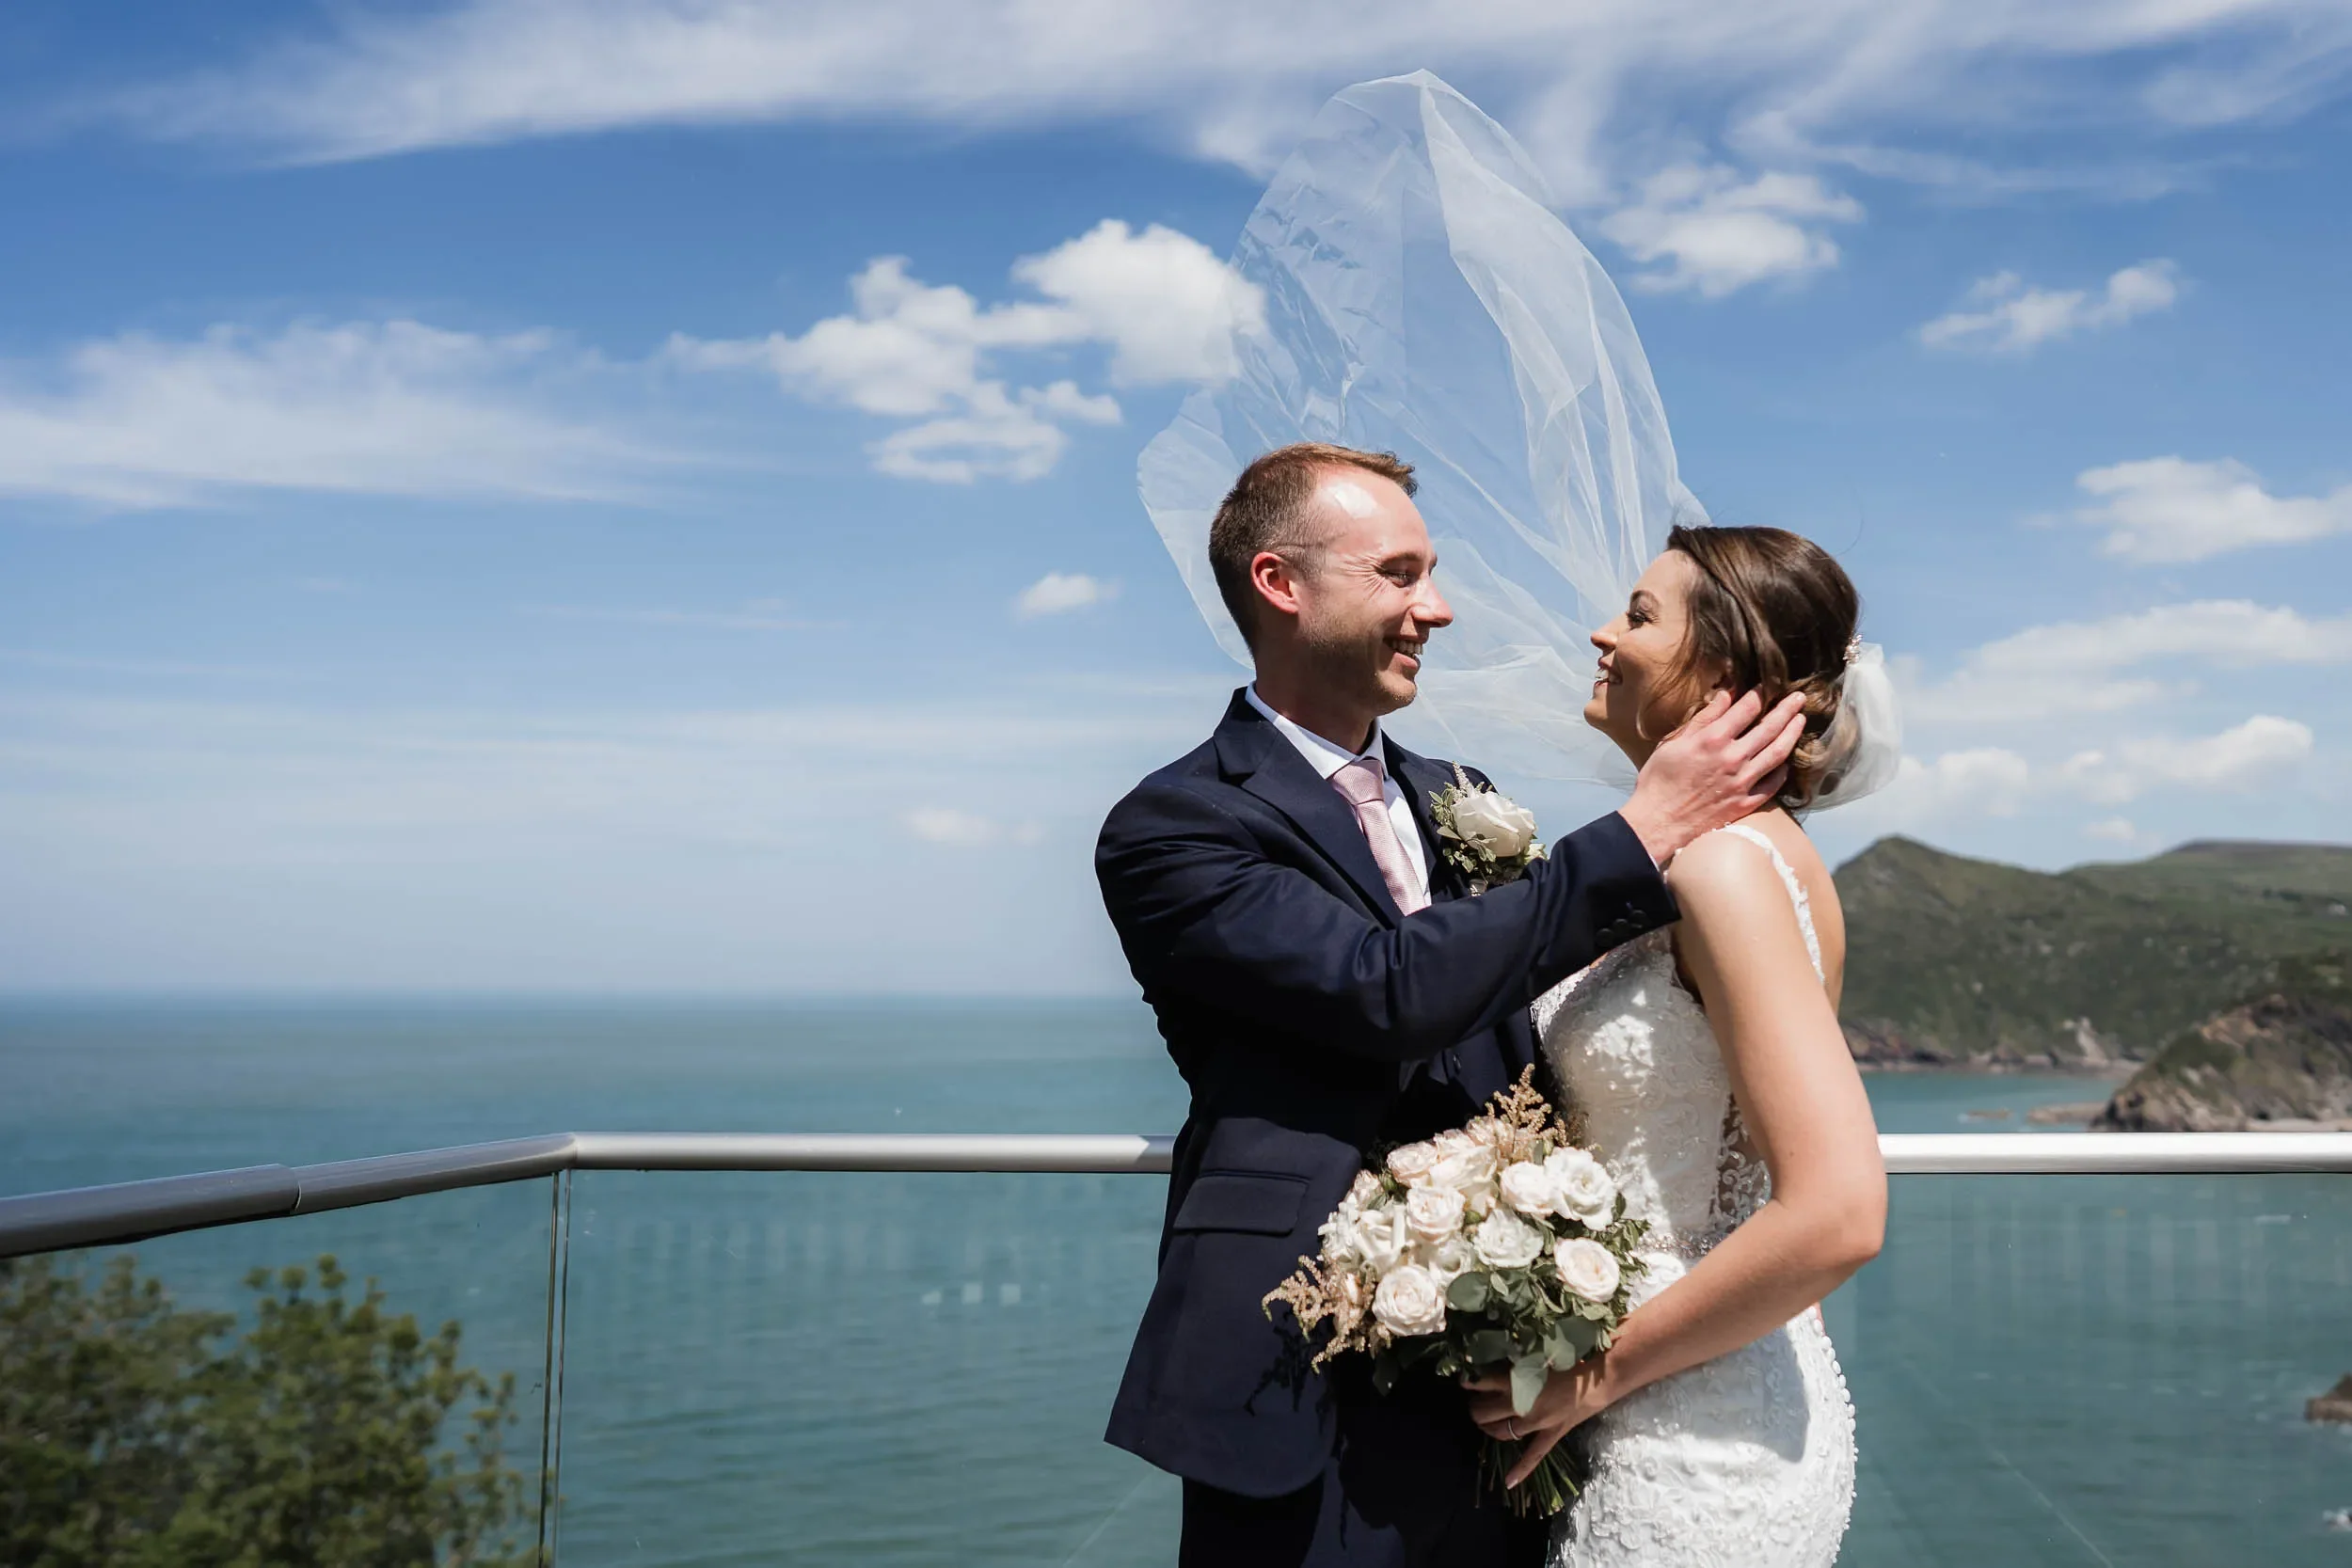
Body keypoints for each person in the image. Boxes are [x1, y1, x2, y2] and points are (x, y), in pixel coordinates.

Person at [1095, 443, 1807, 1568]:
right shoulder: (1174, 826)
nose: (1438, 607)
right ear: (1281, 583)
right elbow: (1385, 989)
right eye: (1398, 573)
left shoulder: (1458, 798)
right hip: (1298, 1379)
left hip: (1512, 1381)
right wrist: (1639, 834)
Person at [1465, 525, 1887, 1567]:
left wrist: (1593, 1372)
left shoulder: (1726, 871)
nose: (1602, 633)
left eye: (1641, 615)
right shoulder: (1738, 857)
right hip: (1691, 1388)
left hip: (1693, 1444)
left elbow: (1837, 1209)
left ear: (1723, 674)